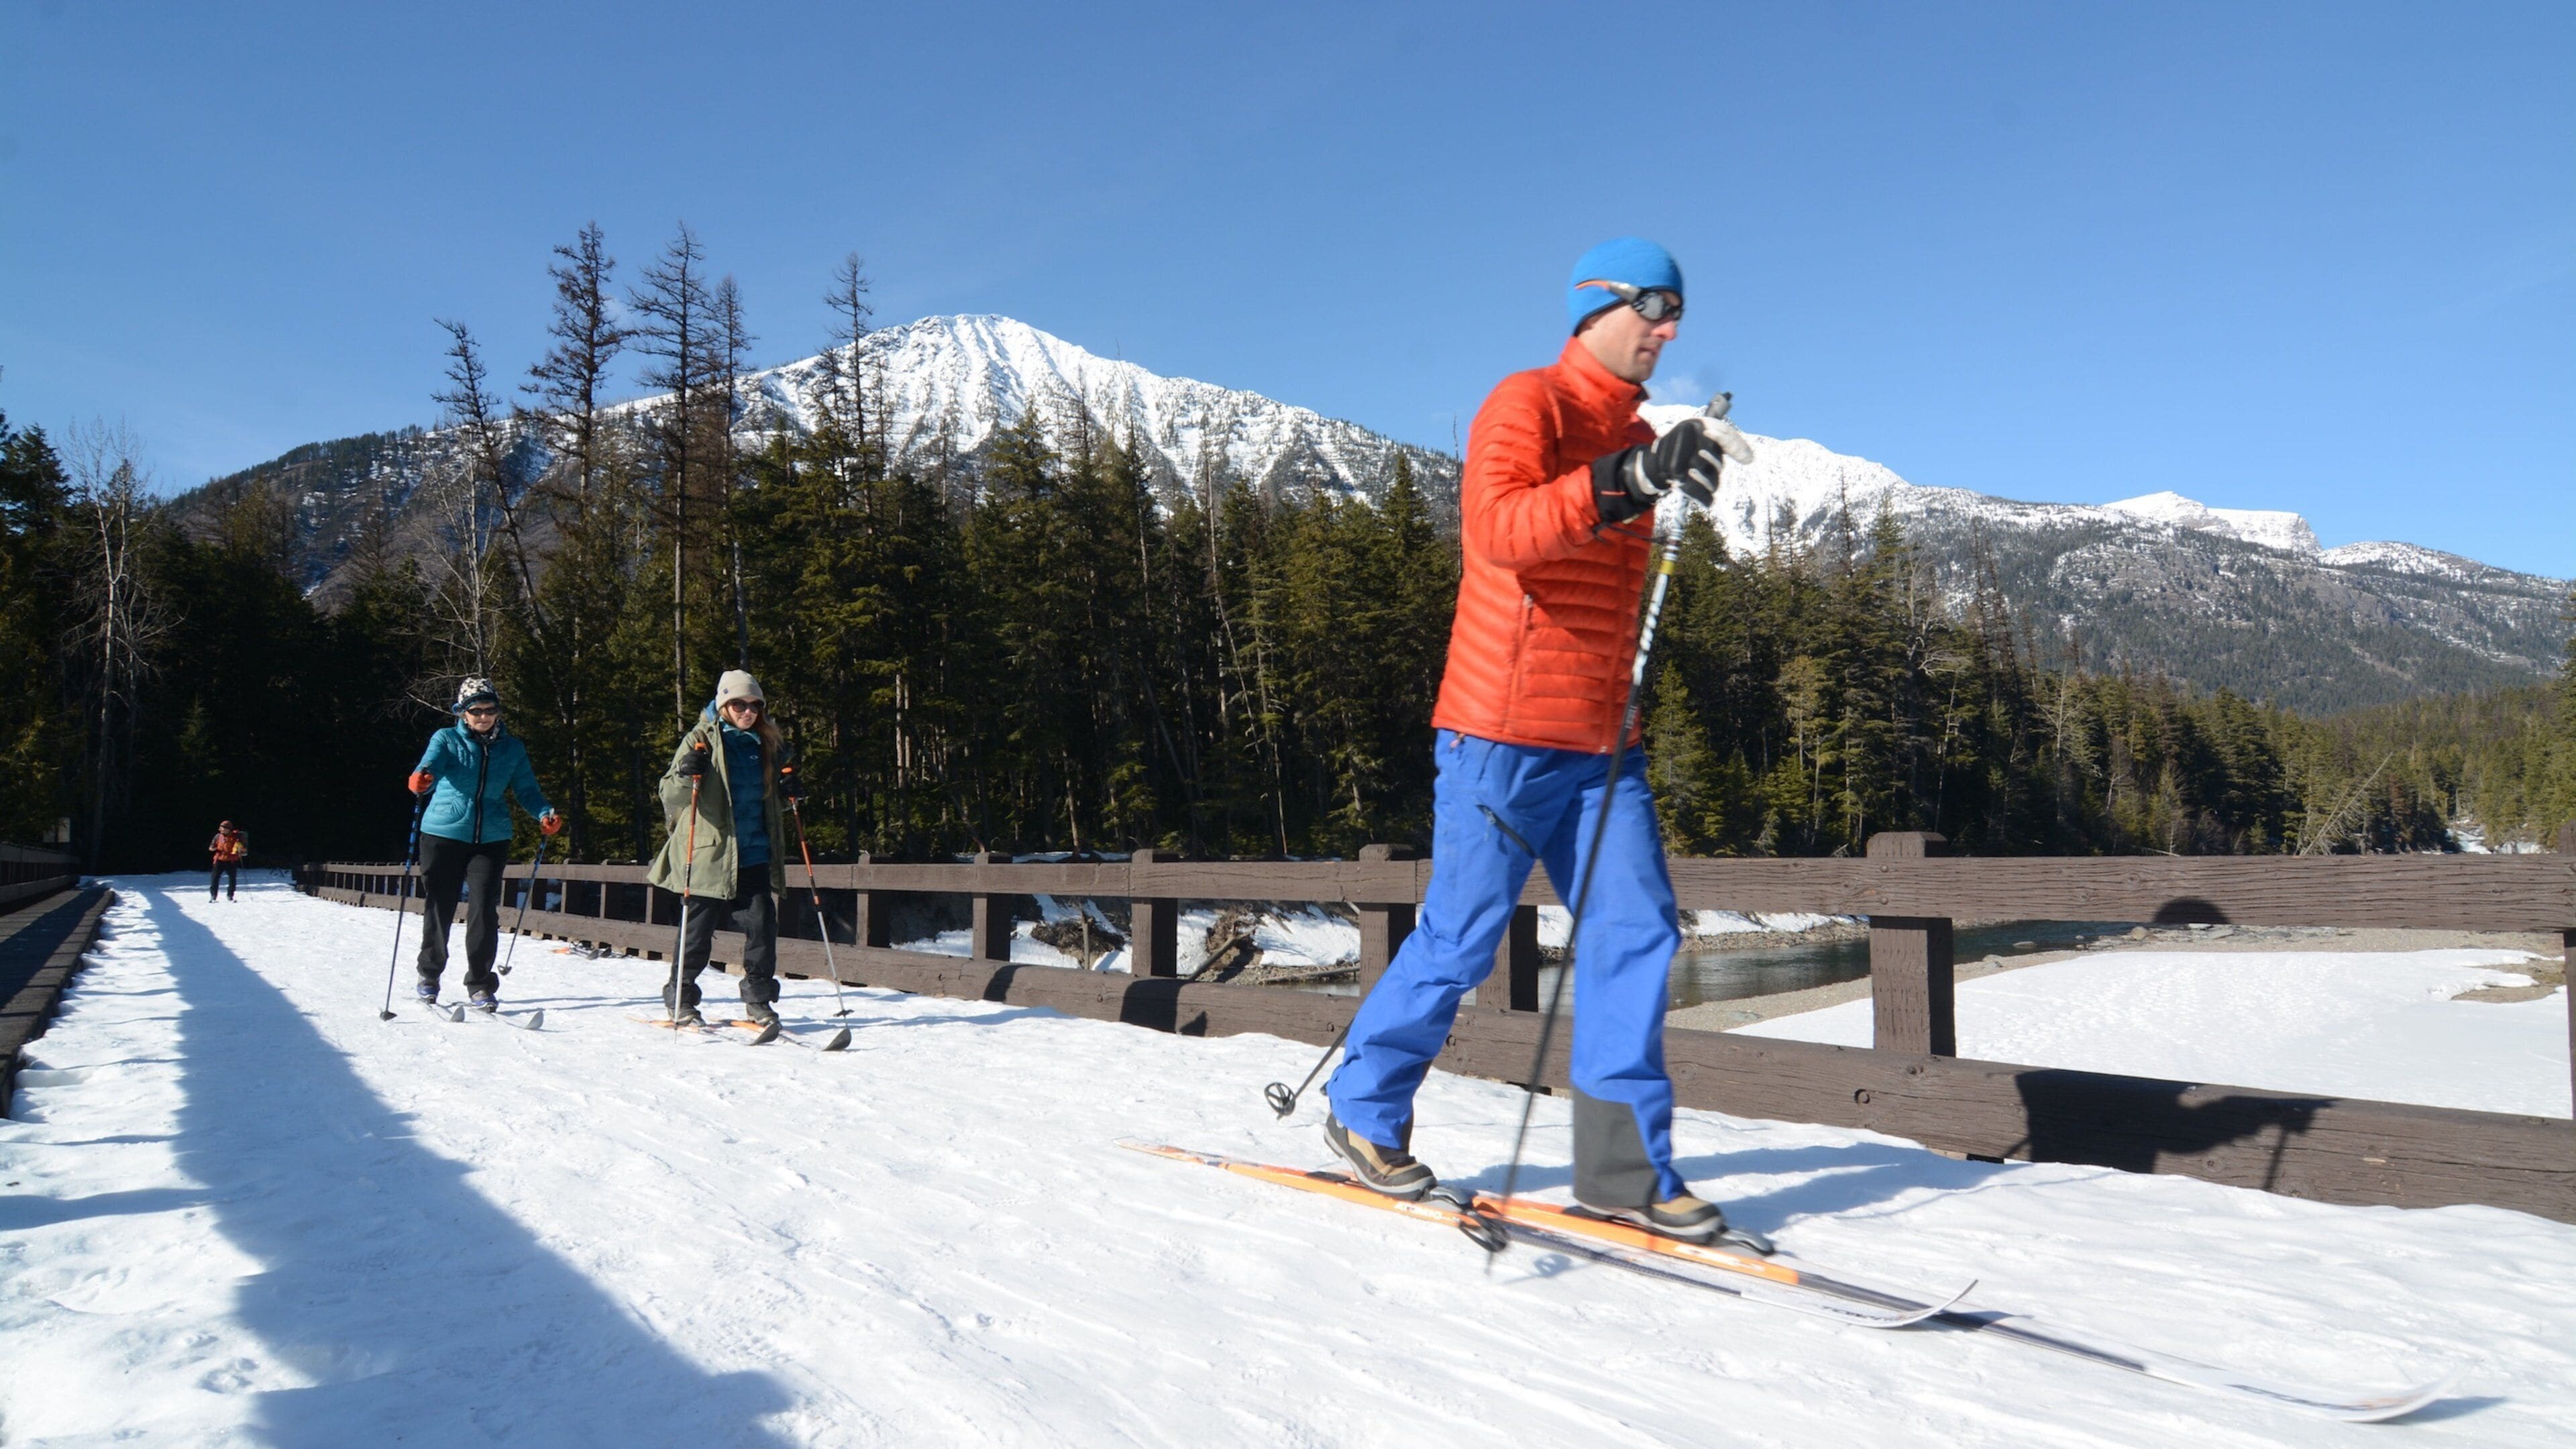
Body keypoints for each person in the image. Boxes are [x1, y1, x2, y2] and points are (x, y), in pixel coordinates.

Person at [1321, 237, 1739, 1242]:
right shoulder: (1527, 404)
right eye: (1652, 306)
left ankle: (1622, 1172)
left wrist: (1650, 481)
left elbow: (1611, 602)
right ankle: (1363, 1110)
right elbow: (1504, 532)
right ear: (1593, 307)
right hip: (1500, 734)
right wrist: (1630, 477)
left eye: (1678, 312)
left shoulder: (1635, 431)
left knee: (1637, 929)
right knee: (1463, 939)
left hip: (1603, 748)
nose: (1669, 330)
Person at [647, 669, 792, 1027]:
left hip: (754, 852)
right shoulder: (701, 739)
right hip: (708, 853)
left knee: (762, 926)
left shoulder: (768, 744)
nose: (748, 712)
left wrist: (790, 794)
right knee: (697, 932)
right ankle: (681, 999)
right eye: (739, 704)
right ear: (724, 705)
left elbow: (770, 803)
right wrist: (685, 772)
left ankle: (759, 1001)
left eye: (755, 705)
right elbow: (670, 793)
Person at [407, 677, 560, 1012]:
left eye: (490, 710)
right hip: (444, 834)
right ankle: (429, 976)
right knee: (440, 904)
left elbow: (527, 790)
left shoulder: (512, 748)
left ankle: (479, 984)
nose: (484, 716)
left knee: (483, 911)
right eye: (476, 710)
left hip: (491, 836)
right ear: (462, 713)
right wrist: (422, 779)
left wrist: (544, 812)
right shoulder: (446, 739)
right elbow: (427, 769)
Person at [207, 820, 248, 901]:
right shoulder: (218, 836)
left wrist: (240, 850)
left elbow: (243, 850)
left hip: (231, 861)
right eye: (221, 828)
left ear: (229, 829)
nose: (221, 829)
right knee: (215, 878)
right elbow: (211, 847)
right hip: (219, 860)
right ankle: (213, 895)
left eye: (223, 828)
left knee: (232, 879)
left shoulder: (237, 837)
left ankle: (230, 895)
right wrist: (213, 848)